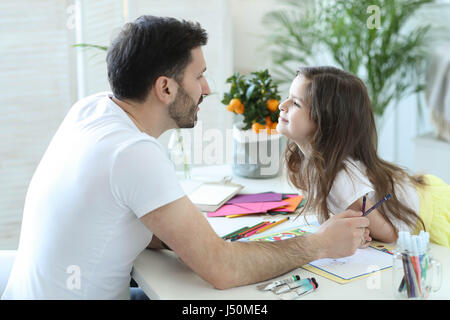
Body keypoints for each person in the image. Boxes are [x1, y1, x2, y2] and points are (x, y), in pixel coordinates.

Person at [1, 16, 370, 300]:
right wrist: (319, 243)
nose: (207, 89)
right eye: (200, 76)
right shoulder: (133, 153)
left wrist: (200, 242)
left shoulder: (92, 109)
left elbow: (131, 221)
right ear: (165, 88)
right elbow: (221, 270)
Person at [277, 66, 450, 249]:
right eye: (288, 97)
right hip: (417, 192)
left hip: (430, 212)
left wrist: (365, 231)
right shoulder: (308, 162)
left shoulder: (341, 179)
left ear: (326, 121)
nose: (282, 105)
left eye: (296, 103)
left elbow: (390, 234)